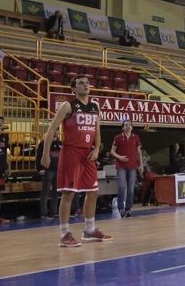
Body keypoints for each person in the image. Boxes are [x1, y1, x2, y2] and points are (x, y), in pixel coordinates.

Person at [41, 75, 112, 246]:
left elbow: (97, 131)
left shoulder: (95, 106)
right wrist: (45, 154)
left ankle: (89, 230)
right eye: (81, 83)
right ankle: (65, 234)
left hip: (88, 154)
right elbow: (51, 131)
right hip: (71, 151)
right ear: (73, 88)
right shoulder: (68, 106)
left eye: (87, 83)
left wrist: (96, 149)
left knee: (93, 192)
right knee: (69, 193)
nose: (86, 85)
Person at [111, 119, 143, 218]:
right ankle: (121, 208)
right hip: (121, 166)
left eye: (129, 125)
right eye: (125, 125)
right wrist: (119, 157)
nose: (128, 126)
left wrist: (141, 164)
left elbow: (139, 152)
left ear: (132, 127)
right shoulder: (118, 137)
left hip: (132, 166)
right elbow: (112, 151)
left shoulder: (136, 137)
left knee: (131, 188)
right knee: (121, 187)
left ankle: (128, 209)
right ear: (123, 127)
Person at [37, 132, 63, 219]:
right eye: (53, 131)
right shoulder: (44, 143)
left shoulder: (60, 144)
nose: (55, 133)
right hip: (47, 170)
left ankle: (54, 212)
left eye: (56, 131)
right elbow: (39, 156)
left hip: (57, 170)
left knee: (55, 192)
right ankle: (43, 213)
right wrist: (40, 168)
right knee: (45, 192)